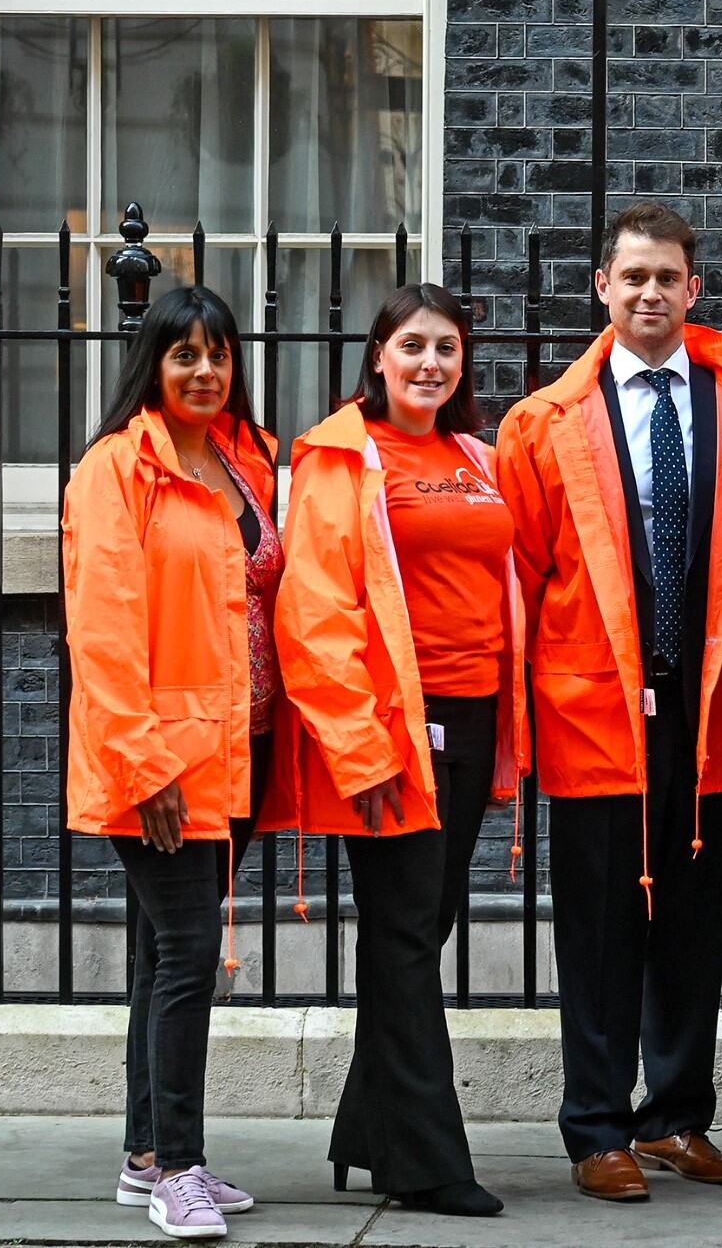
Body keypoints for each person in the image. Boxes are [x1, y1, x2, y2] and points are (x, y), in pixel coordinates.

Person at [493, 202, 722, 1203]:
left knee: (696, 921)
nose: (651, 292)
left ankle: (675, 1115)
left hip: (714, 703)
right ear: (602, 288)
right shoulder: (543, 423)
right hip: (592, 706)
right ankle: (596, 1126)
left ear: (694, 289)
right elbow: (520, 577)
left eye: (668, 276)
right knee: (600, 926)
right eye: (633, 277)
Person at [271, 283, 522, 1219]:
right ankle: (425, 1159)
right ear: (377, 355)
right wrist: (360, 746)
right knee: (407, 933)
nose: (430, 362)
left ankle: (367, 1133)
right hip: (395, 727)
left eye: (446, 348)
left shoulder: (476, 457)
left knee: (422, 924)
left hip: (475, 716)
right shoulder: (342, 456)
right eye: (412, 344)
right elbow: (315, 610)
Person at [64, 286, 278, 1243]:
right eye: (184, 353)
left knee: (163, 952)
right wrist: (146, 764)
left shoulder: (242, 459)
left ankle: (146, 1153)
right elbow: (103, 628)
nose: (204, 370)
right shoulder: (116, 469)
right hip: (165, 759)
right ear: (151, 364)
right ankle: (180, 1171)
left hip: (241, 746)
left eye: (218, 354)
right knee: (191, 951)